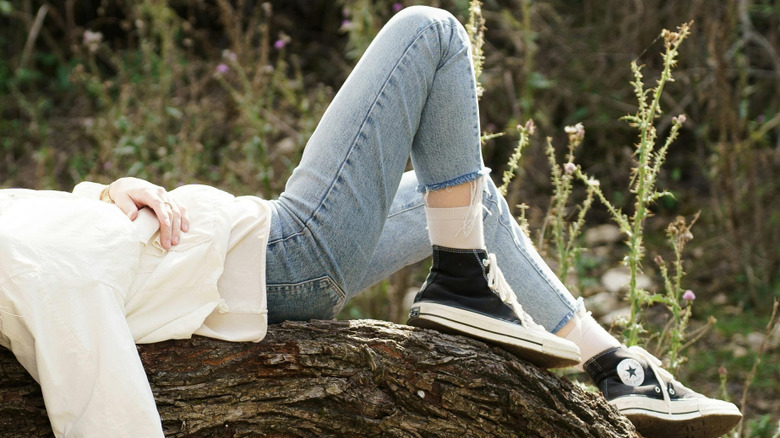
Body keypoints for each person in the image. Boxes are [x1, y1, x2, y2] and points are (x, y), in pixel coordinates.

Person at [0, 6, 740, 438]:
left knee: (460, 199)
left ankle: (615, 370)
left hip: (258, 243)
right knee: (431, 32)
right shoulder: (23, 268)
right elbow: (75, 319)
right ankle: (461, 286)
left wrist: (107, 191)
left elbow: (62, 235)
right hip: (281, 256)